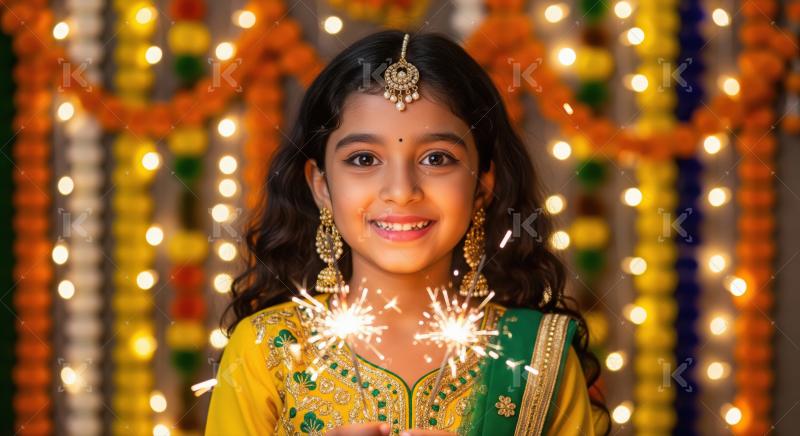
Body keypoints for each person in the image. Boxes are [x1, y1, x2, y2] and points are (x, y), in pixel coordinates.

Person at [205, 30, 610, 436]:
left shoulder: (537, 354)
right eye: (364, 159)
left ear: (483, 184)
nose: (401, 191)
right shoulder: (267, 347)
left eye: (437, 158)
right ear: (322, 186)